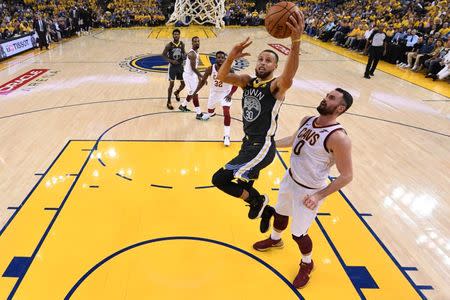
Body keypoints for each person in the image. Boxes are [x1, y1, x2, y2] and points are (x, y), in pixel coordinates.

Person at [211, 10, 304, 233]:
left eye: (269, 61)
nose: (263, 63)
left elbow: (289, 77)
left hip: (262, 146)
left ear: (274, 67)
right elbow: (221, 78)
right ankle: (265, 209)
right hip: (248, 143)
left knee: (220, 179)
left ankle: (259, 201)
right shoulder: (247, 81)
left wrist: (296, 42)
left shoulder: (275, 87)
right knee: (242, 185)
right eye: (260, 59)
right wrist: (231, 56)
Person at [253, 88, 353, 289]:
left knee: (298, 234)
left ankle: (307, 263)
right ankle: (275, 240)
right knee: (280, 214)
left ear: (340, 108)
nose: (325, 99)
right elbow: (292, 141)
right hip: (290, 179)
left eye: (331, 98)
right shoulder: (308, 119)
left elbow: (347, 176)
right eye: (326, 95)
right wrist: (265, 147)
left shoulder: (339, 137)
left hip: (309, 191)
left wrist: (318, 196)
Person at [193, 51, 238, 146]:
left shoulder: (230, 69)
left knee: (226, 112)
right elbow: (202, 81)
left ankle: (226, 136)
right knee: (209, 110)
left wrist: (230, 94)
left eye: (222, 57)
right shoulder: (210, 69)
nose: (220, 59)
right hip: (214, 93)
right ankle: (210, 113)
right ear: (216, 58)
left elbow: (236, 83)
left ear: (225, 59)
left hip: (225, 94)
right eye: (218, 57)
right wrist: (196, 91)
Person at [179, 36, 203, 119]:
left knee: (191, 92)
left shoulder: (196, 52)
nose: (197, 43)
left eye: (198, 41)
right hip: (189, 76)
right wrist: (201, 76)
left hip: (192, 75)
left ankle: (183, 106)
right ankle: (199, 113)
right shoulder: (192, 54)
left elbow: (195, 67)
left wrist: (198, 77)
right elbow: (193, 68)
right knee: (195, 93)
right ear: (192, 43)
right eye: (195, 41)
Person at [162, 29, 186, 110]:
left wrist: (185, 56)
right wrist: (171, 61)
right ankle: (168, 102)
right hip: (172, 67)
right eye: (175, 34)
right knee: (171, 85)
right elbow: (163, 55)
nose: (176, 35)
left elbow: (183, 53)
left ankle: (177, 92)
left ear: (179, 35)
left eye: (177, 34)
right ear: (172, 35)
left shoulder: (182, 44)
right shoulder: (169, 45)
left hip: (180, 67)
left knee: (183, 84)